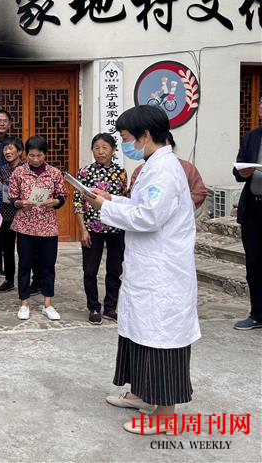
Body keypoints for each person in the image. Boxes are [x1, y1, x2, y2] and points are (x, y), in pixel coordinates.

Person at [86, 105, 200, 435]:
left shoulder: (164, 170)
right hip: (147, 269)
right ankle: (140, 392)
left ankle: (165, 415)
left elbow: (148, 217)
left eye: (126, 138)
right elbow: (140, 206)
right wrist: (111, 200)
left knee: (160, 337)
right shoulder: (153, 166)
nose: (126, 145)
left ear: (145, 135)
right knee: (138, 331)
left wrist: (105, 207)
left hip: (162, 273)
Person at [9, 135, 66, 321]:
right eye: (31, 155)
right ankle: (24, 303)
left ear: (45, 154)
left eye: (39, 155)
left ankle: (47, 304)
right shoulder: (19, 172)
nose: (35, 159)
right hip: (25, 226)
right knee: (24, 264)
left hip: (48, 226)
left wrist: (54, 202)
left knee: (48, 266)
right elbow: (12, 197)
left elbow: (62, 196)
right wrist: (21, 203)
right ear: (26, 154)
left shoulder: (54, 173)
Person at [72, 133, 127, 325]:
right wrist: (82, 230)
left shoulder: (121, 173)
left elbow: (124, 200)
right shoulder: (85, 172)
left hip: (116, 230)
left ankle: (110, 307)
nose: (100, 151)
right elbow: (78, 203)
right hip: (92, 229)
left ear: (113, 150)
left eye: (105, 147)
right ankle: (94, 307)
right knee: (90, 271)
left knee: (114, 271)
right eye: (96, 148)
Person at [233, 95, 262, 330]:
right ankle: (257, 314)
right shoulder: (252, 136)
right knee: (254, 263)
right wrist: (242, 172)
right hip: (253, 208)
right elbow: (238, 167)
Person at [0, 137, 34, 294]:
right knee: (7, 249)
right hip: (6, 213)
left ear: (20, 151)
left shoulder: (27, 167)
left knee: (27, 249)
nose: (7, 152)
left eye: (11, 148)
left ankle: (33, 280)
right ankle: (9, 280)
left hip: (25, 213)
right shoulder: (3, 169)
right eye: (5, 149)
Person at [128, 132, 207, 209]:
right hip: (148, 213)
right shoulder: (140, 170)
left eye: (164, 146)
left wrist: (180, 205)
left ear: (171, 146)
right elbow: (132, 196)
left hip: (181, 214)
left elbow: (200, 192)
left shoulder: (187, 167)